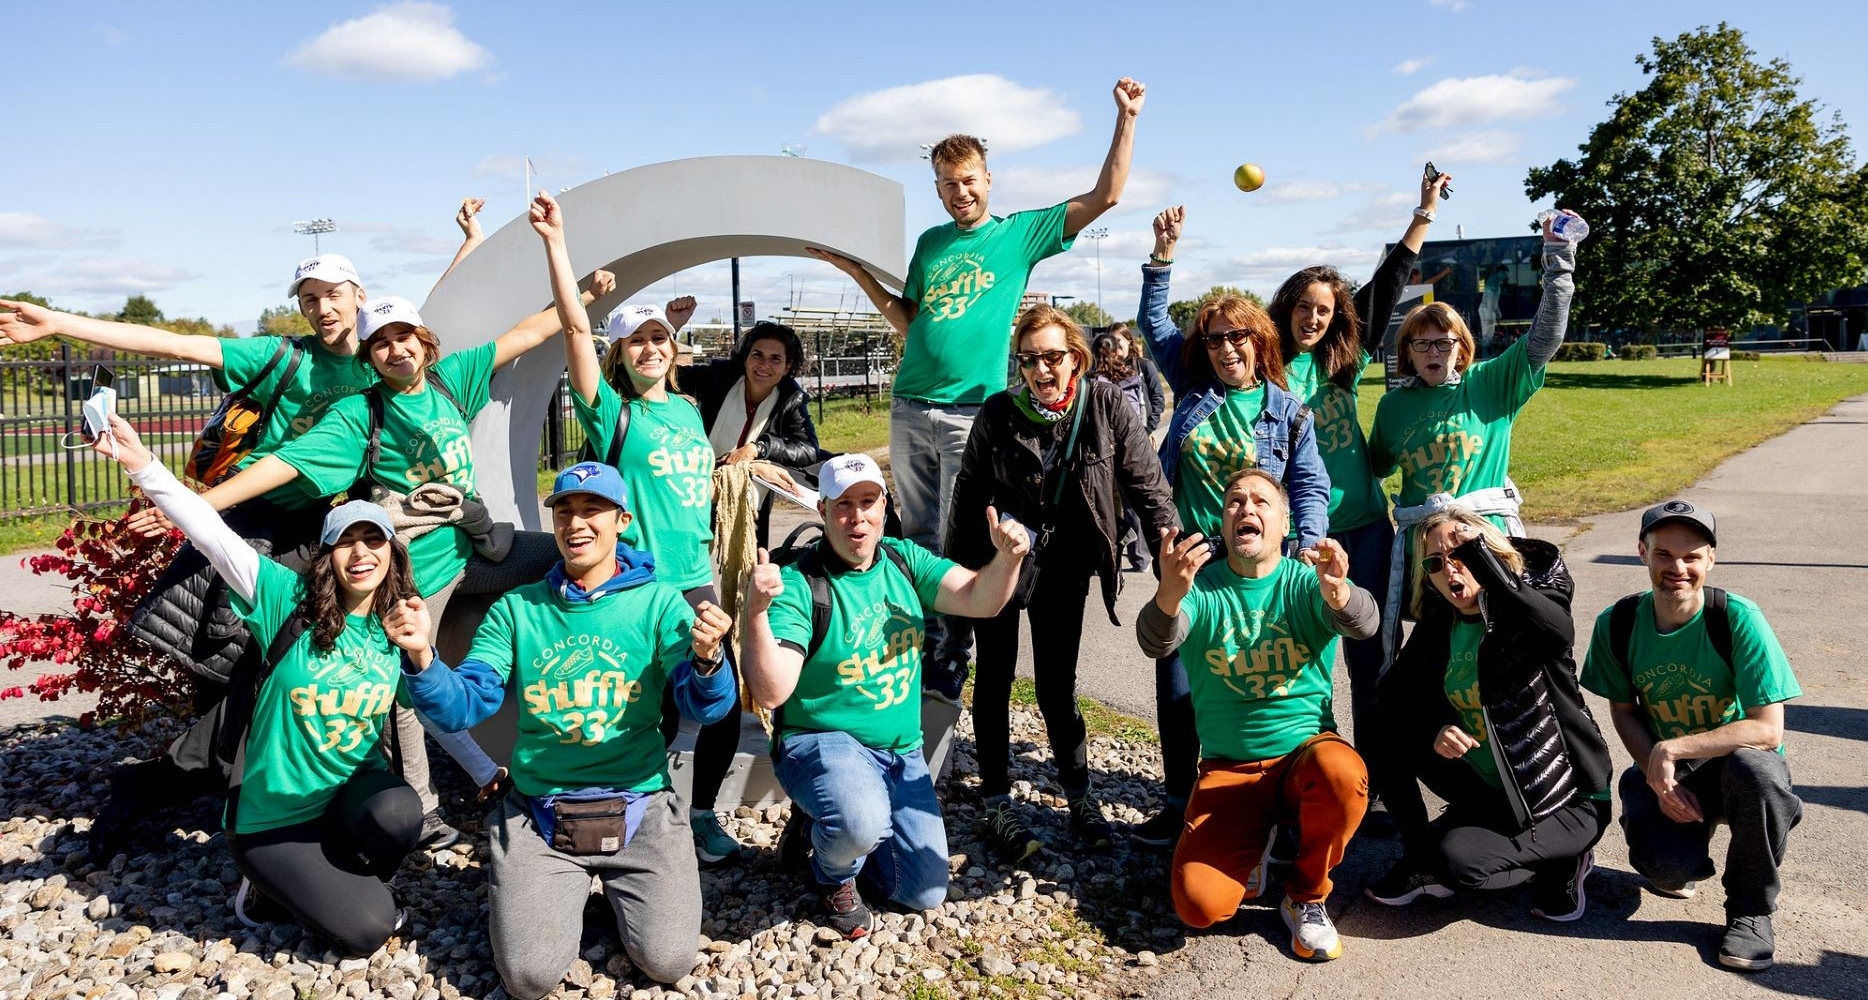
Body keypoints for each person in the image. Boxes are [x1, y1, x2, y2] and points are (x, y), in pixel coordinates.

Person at [188, 226, 596, 842]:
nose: (394, 350)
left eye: (403, 337)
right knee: (405, 684)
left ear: (424, 344)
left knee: (575, 561)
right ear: (370, 357)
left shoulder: (449, 380)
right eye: (379, 344)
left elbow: (531, 332)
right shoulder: (361, 413)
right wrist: (198, 508)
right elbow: (285, 464)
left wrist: (584, 290)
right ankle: (424, 805)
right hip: (419, 573)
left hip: (479, 550)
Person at [2, 255, 387, 857]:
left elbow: (442, 322)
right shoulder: (282, 356)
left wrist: (469, 241)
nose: (322, 308)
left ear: (359, 294)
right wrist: (57, 322)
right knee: (233, 665)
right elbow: (168, 341)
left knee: (285, 668)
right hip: (252, 524)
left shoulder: (380, 358)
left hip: (328, 528)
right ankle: (186, 792)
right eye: (309, 298)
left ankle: (192, 788)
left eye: (332, 294)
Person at [806, 77, 1148, 700]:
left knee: (954, 535)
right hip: (912, 403)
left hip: (973, 413)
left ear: (988, 181)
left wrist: (1125, 118)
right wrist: (853, 270)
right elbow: (909, 319)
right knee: (907, 534)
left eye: (969, 180)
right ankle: (908, 643)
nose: (959, 192)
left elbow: (1107, 195)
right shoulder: (931, 244)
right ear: (936, 188)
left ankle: (951, 649)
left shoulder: (1018, 234)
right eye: (947, 183)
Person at [91, 412, 425, 956]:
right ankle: (268, 880)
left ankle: (327, 875)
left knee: (399, 814)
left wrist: (487, 770)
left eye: (374, 540)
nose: (361, 554)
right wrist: (141, 463)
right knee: (369, 932)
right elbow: (209, 532)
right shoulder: (284, 599)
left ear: (392, 552)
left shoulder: (398, 626)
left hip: (344, 799)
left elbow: (435, 704)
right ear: (327, 555)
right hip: (272, 818)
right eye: (346, 542)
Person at [401, 461, 737, 997]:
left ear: (622, 519)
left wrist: (708, 662)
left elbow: (706, 707)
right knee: (530, 976)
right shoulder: (517, 609)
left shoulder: (658, 604)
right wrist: (422, 656)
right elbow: (462, 705)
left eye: (593, 510)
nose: (576, 523)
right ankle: (544, 879)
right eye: (564, 512)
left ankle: (607, 884)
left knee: (669, 961)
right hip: (542, 811)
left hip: (641, 805)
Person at [533, 193, 747, 867]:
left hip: (698, 580)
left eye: (660, 338)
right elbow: (573, 330)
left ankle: (704, 811)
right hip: (642, 583)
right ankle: (638, 818)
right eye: (637, 341)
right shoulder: (610, 412)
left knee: (722, 702)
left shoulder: (687, 410)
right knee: (648, 708)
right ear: (620, 353)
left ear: (672, 348)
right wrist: (558, 245)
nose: (650, 348)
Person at [739, 453, 1030, 939]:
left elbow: (981, 597)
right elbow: (772, 691)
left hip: (900, 753)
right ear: (823, 511)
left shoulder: (902, 559)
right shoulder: (800, 583)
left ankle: (822, 825)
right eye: (843, 505)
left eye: (868, 502)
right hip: (822, 741)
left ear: (884, 505)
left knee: (923, 892)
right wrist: (755, 614)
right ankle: (833, 873)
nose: (858, 518)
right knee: (860, 819)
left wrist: (1008, 557)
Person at [1132, 205, 1330, 847]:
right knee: (1181, 681)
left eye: (1236, 337)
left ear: (1259, 342)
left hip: (1266, 560)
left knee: (1276, 674)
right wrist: (1162, 257)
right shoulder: (1193, 390)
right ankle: (1179, 798)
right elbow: (1153, 323)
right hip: (1197, 556)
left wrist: (1304, 545)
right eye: (1215, 339)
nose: (1225, 349)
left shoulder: (1284, 408)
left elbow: (1311, 484)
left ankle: (1293, 794)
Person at [949, 306, 1177, 859]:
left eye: (1053, 357)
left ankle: (1078, 795)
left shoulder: (1106, 404)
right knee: (996, 677)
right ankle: (997, 801)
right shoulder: (999, 412)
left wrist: (1168, 541)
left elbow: (1146, 484)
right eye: (1030, 360)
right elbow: (968, 489)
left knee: (1056, 684)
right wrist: (959, 576)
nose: (1041, 370)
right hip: (1000, 559)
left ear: (1075, 356)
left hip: (1065, 563)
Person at [1264, 167, 1452, 808]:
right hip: (1300, 542)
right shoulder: (1264, 371)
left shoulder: (1342, 360)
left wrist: (1423, 212)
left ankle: (1374, 781)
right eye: (1303, 307)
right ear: (1285, 309)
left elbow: (1390, 282)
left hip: (1368, 531)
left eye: (1324, 309)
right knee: (1305, 664)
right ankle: (1317, 776)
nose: (1313, 317)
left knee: (1373, 664)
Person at [1136, 469, 1377, 961]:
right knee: (1199, 908)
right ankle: (1255, 845)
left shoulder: (1305, 581)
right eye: (1234, 502)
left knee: (1343, 774)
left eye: (1261, 501)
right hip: (1229, 768)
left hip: (1304, 756)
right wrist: (1168, 593)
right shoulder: (1200, 589)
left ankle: (1306, 895)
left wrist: (1341, 593)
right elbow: (1155, 640)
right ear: (1222, 524)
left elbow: (1365, 623)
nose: (1246, 508)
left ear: (1285, 522)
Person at [1580, 501, 1803, 971]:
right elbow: (1623, 712)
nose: (1677, 568)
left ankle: (1750, 910)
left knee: (1757, 772)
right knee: (1666, 869)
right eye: (1664, 554)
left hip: (1733, 766)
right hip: (1671, 770)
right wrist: (1657, 774)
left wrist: (1673, 747)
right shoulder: (1617, 624)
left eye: (1692, 556)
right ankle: (1685, 848)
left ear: (1711, 559)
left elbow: (1767, 728)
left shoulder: (1736, 618)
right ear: (1642, 553)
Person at [1364, 506, 1612, 923]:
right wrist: (1434, 729)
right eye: (1435, 563)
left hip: (1564, 799)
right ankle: (1420, 853)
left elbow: (1556, 633)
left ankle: (1566, 858)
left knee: (1462, 865)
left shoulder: (1524, 615)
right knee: (1382, 730)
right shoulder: (1441, 623)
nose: (1450, 569)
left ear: (1488, 554)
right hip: (1491, 793)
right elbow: (1391, 696)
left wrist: (1481, 554)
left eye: (1459, 555)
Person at [1367, 210, 1579, 669]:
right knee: (1438, 651)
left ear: (1462, 348)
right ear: (1406, 352)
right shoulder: (1392, 407)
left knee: (1502, 643)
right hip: (1430, 555)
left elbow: (1545, 338)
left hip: (1487, 541)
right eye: (1421, 344)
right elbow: (1376, 468)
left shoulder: (1489, 384)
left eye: (1444, 343)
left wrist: (1559, 259)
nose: (1434, 352)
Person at [679, 318, 825, 548]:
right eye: (757, 355)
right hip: (700, 485)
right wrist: (672, 327)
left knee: (749, 569)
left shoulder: (791, 397)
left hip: (749, 497)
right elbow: (667, 376)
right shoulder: (718, 376)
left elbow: (808, 449)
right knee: (688, 556)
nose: (764, 365)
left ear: (787, 366)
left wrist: (759, 447)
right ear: (746, 358)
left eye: (775, 359)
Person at [1090, 329, 1159, 573]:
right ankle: (1140, 558)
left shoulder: (1092, 381)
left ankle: (1109, 559)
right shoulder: (1130, 376)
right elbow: (1142, 408)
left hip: (1102, 452)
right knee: (1133, 507)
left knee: (1106, 507)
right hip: (1131, 449)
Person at [1110, 322, 1166, 434]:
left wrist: (1148, 429)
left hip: (1141, 434)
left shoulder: (1144, 366)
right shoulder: (1106, 372)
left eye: (1118, 340)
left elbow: (1158, 398)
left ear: (1128, 340)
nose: (1114, 345)